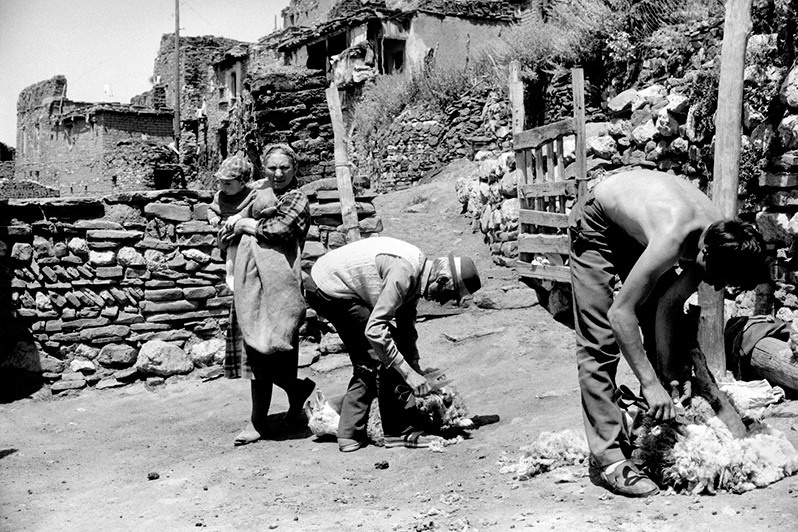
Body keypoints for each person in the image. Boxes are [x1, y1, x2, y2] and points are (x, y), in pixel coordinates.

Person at [568, 169, 768, 497]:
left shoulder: (719, 236)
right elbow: (621, 314)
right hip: (598, 222)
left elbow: (668, 306)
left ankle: (653, 426)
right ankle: (608, 457)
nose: (716, 286)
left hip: (635, 230)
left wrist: (668, 371)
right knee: (601, 337)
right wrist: (649, 384)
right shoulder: (675, 236)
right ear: (703, 254)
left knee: (659, 333)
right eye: (717, 278)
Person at [304, 236, 481, 452]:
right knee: (382, 353)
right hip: (328, 287)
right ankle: (397, 432)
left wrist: (414, 364)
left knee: (375, 356)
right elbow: (375, 331)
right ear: (442, 280)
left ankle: (349, 433)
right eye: (448, 295)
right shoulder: (403, 275)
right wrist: (408, 374)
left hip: (334, 283)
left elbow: (406, 323)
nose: (443, 302)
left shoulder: (418, 275)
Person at [218, 144, 315, 446]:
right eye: (272, 167)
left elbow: (280, 229)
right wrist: (231, 232)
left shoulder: (296, 199)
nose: (278, 173)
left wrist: (247, 225)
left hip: (280, 286)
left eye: (284, 167)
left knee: (275, 352)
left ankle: (264, 416)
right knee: (254, 355)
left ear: (294, 170)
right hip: (250, 285)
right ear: (264, 169)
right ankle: (267, 414)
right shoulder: (256, 197)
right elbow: (228, 228)